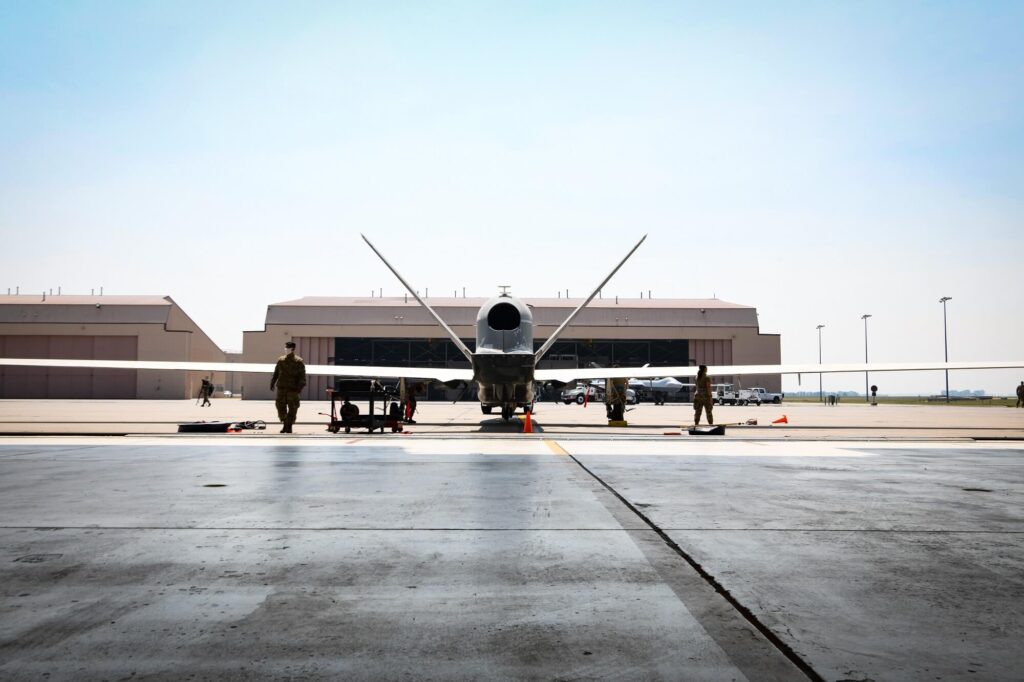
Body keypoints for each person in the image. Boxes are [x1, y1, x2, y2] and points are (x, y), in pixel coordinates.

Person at [271, 341, 306, 433]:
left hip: (292, 389)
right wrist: (272, 382)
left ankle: (288, 426)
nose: (286, 349)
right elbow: (276, 373)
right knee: (280, 406)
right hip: (281, 388)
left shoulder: (298, 361)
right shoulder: (281, 360)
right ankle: (285, 422)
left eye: (288, 348)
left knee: (293, 408)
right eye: (285, 347)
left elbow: (302, 377)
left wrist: (299, 389)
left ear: (293, 349)